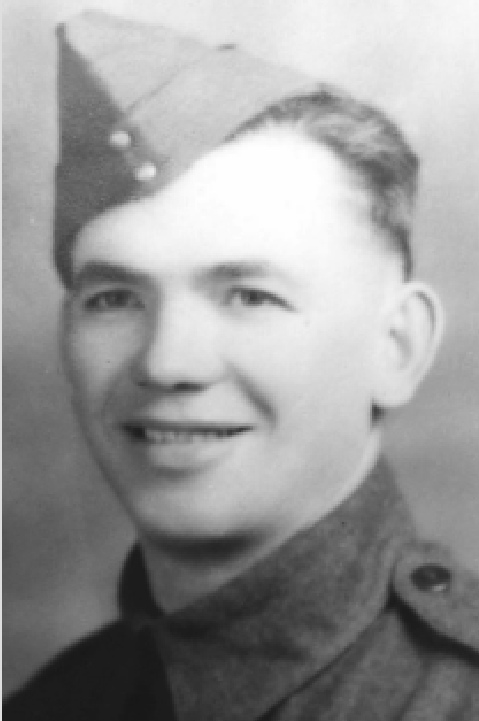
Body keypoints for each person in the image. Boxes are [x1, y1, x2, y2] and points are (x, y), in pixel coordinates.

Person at [5, 10, 479, 721]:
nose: (167, 362)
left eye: (250, 295)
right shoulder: (53, 706)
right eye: (115, 298)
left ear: (397, 346)